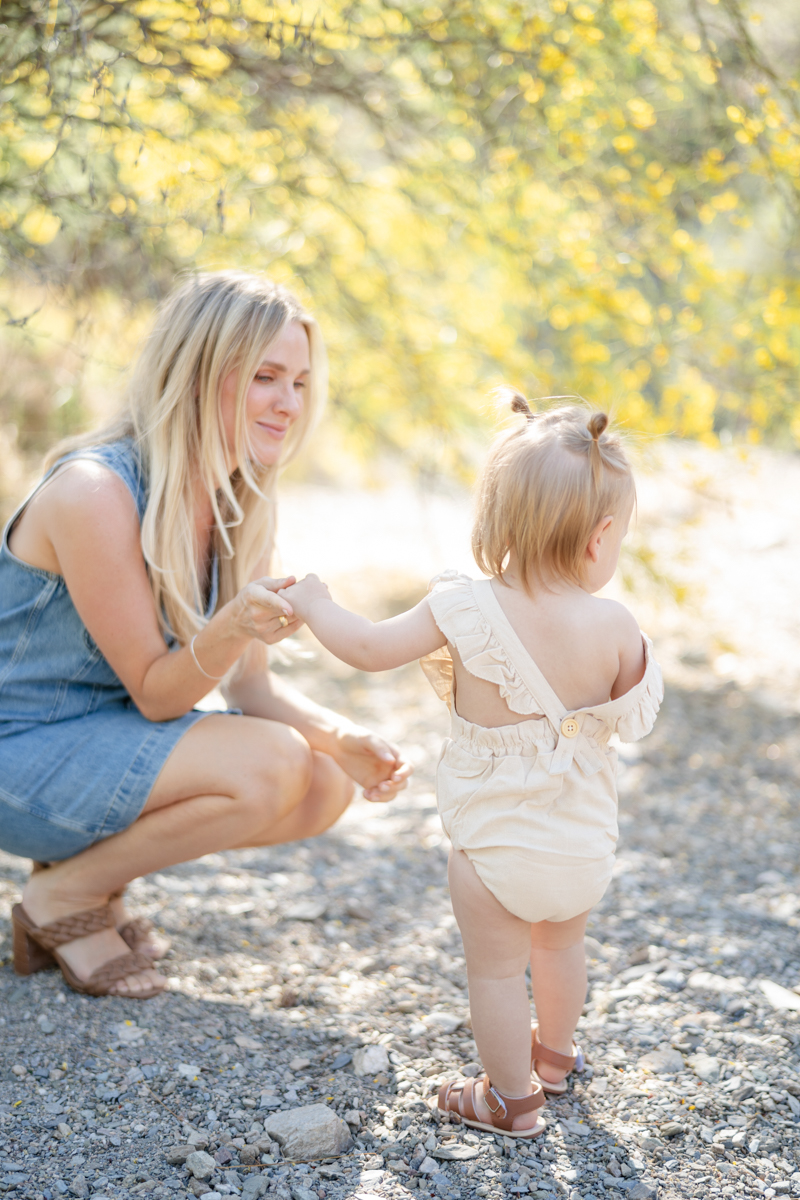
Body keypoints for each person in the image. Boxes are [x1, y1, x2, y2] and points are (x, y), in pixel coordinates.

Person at [1, 270, 410, 1001]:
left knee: (320, 784)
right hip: (19, 754)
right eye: (266, 377)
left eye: (301, 383)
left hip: (98, 742)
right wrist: (226, 631)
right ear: (198, 376)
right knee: (271, 765)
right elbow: (160, 697)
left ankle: (81, 886)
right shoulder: (95, 491)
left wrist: (340, 736)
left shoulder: (242, 499)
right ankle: (64, 899)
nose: (289, 403)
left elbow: (250, 685)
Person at [277, 395, 663, 1138]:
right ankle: (553, 1057)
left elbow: (363, 648)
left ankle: (511, 1101)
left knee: (494, 971)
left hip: (493, 846)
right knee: (562, 943)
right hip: (582, 843)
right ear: (600, 538)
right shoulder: (616, 626)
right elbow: (632, 711)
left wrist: (318, 602)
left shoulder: (463, 607)